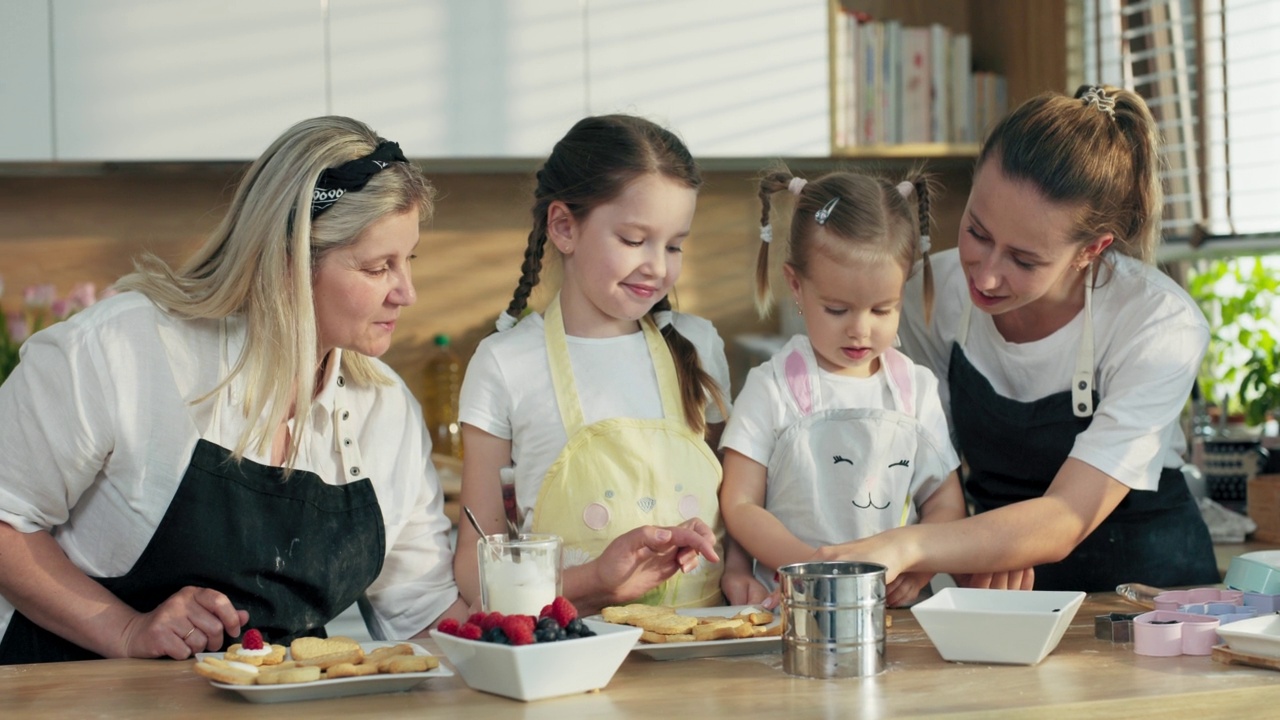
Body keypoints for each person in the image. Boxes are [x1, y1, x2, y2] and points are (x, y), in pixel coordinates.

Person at [0, 116, 467, 665]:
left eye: (407, 260)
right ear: (289, 263)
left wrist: (548, 623)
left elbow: (423, 614)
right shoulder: (120, 352)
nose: (406, 292)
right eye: (377, 267)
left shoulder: (385, 409)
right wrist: (126, 631)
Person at [819, 85, 1220, 592]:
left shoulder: (1157, 323)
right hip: (999, 589)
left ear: (1089, 251)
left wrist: (912, 545)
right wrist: (968, 551)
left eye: (1024, 260)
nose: (985, 277)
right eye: (977, 233)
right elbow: (920, 457)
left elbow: (1066, 516)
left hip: (1151, 604)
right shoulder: (927, 294)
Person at [455, 114, 769, 615]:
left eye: (674, 245)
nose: (658, 266)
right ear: (564, 227)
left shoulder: (696, 344)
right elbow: (478, 570)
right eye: (632, 240)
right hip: (572, 651)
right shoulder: (505, 364)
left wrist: (737, 570)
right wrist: (593, 580)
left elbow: (736, 506)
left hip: (701, 652)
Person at [719, 170, 967, 608]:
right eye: (837, 309)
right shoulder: (772, 388)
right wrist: (815, 570)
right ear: (796, 285)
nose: (860, 330)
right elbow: (739, 503)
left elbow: (945, 501)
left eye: (882, 309)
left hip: (886, 610)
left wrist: (920, 562)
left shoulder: (915, 390)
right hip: (790, 606)